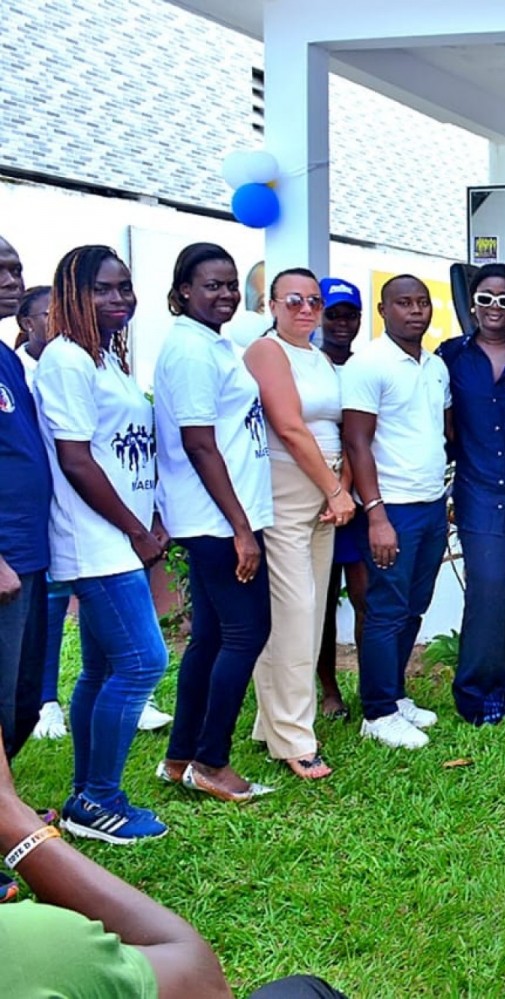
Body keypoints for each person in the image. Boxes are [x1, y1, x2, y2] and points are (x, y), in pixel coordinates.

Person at [0, 721, 349, 997]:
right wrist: (16, 823)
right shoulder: (28, 948)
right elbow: (200, 982)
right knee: (304, 991)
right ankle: (100, 799)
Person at [32, 246, 171, 843]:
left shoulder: (105, 360)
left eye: (125, 288)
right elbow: (77, 461)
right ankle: (101, 799)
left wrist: (154, 513)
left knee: (102, 667)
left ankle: (86, 796)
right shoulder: (66, 361)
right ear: (71, 294)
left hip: (122, 533)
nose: (120, 299)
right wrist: (136, 531)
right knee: (145, 661)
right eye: (103, 290)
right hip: (96, 540)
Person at [154, 243, 275, 803]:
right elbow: (200, 446)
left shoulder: (211, 343)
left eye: (231, 285)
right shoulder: (191, 352)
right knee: (247, 633)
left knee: (208, 638)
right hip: (216, 523)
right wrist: (241, 529)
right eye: (211, 285)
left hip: (218, 520)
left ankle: (181, 756)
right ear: (182, 291)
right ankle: (212, 761)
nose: (225, 294)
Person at [244, 269, 356, 780]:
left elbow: (337, 426)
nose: (306, 309)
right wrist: (333, 489)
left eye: (314, 301)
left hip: (328, 491)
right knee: (294, 611)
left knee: (311, 616)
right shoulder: (268, 351)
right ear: (271, 304)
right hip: (289, 488)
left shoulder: (318, 357)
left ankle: (275, 724)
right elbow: (288, 425)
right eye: (294, 300)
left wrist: (341, 485)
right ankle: (294, 737)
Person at [341, 275, 450, 749]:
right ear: (383, 311)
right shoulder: (369, 364)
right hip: (392, 509)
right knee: (385, 609)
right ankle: (377, 711)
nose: (415, 311)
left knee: (414, 606)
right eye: (403, 303)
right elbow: (357, 442)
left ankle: (396, 695)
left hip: (430, 505)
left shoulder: (435, 365)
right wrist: (377, 514)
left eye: (422, 302)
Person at [439, 263, 505, 725]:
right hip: (479, 492)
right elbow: (441, 423)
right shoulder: (450, 356)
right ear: (471, 302)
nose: (494, 307)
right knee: (489, 592)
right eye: (485, 297)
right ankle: (476, 694)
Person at [0, 234, 52, 903]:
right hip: (4, 561)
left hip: (32, 555)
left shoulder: (8, 362)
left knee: (19, 706)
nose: (12, 277)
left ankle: (5, 815)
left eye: (15, 265)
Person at [14, 284, 75, 745]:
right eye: (48, 314)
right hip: (24, 528)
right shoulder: (25, 369)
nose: (59, 320)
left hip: (61, 511)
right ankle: (47, 700)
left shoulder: (76, 361)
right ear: (27, 323)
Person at [314, 277, 366, 720]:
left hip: (361, 498)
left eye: (350, 314)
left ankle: (375, 685)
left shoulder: (365, 365)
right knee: (323, 601)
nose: (342, 323)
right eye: (334, 314)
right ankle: (328, 688)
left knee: (368, 596)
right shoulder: (308, 366)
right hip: (318, 498)